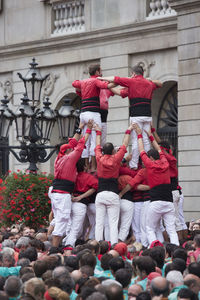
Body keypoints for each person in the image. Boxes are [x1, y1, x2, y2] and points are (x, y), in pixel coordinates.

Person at [98, 64, 162, 169]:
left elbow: (116, 79)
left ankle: (133, 165)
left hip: (136, 115)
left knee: (136, 140)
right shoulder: (149, 83)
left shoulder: (132, 81)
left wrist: (102, 79)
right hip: (147, 116)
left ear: (133, 73)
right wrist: (149, 80)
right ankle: (147, 162)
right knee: (146, 140)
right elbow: (160, 84)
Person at [132, 123, 179, 246]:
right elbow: (159, 149)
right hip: (168, 202)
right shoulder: (165, 162)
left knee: (150, 228)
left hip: (156, 202)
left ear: (150, 158)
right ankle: (176, 252)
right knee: (172, 230)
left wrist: (139, 135)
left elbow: (142, 150)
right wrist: (151, 136)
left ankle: (155, 249)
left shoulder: (150, 165)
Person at [49, 120, 93, 247]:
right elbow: (80, 144)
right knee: (62, 221)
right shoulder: (70, 158)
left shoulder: (60, 157)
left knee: (60, 220)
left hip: (56, 193)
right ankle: (54, 249)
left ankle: (55, 246)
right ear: (69, 151)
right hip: (62, 195)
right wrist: (88, 130)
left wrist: (80, 128)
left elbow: (72, 143)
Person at [94, 123, 134, 245]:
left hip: (100, 195)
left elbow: (97, 145)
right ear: (112, 151)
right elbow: (125, 145)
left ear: (103, 151)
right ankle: (113, 246)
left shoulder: (99, 158)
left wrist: (98, 132)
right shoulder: (116, 158)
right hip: (112, 194)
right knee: (113, 223)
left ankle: (97, 246)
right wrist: (129, 130)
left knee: (99, 223)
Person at [72, 64, 114, 172]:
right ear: (97, 72)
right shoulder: (95, 81)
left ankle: (86, 166)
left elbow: (74, 83)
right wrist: (117, 81)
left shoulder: (84, 82)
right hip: (93, 113)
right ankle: (94, 166)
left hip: (83, 113)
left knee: (85, 140)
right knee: (96, 139)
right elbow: (107, 86)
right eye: (100, 71)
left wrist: (82, 83)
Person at [62, 158, 98, 246]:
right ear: (84, 167)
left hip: (71, 203)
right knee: (75, 230)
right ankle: (68, 247)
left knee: (72, 228)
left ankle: (65, 243)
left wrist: (72, 196)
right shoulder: (88, 177)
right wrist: (81, 197)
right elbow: (96, 186)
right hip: (80, 204)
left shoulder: (73, 177)